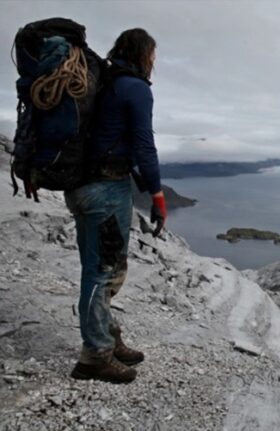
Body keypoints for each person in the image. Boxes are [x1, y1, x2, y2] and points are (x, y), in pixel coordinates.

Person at [67, 28, 166, 384]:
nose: (154, 62)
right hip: (105, 190)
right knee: (101, 271)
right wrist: (157, 195)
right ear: (142, 54)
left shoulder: (106, 83)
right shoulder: (135, 88)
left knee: (104, 266)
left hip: (85, 187)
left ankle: (107, 337)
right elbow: (144, 146)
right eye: (152, 55)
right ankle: (94, 356)